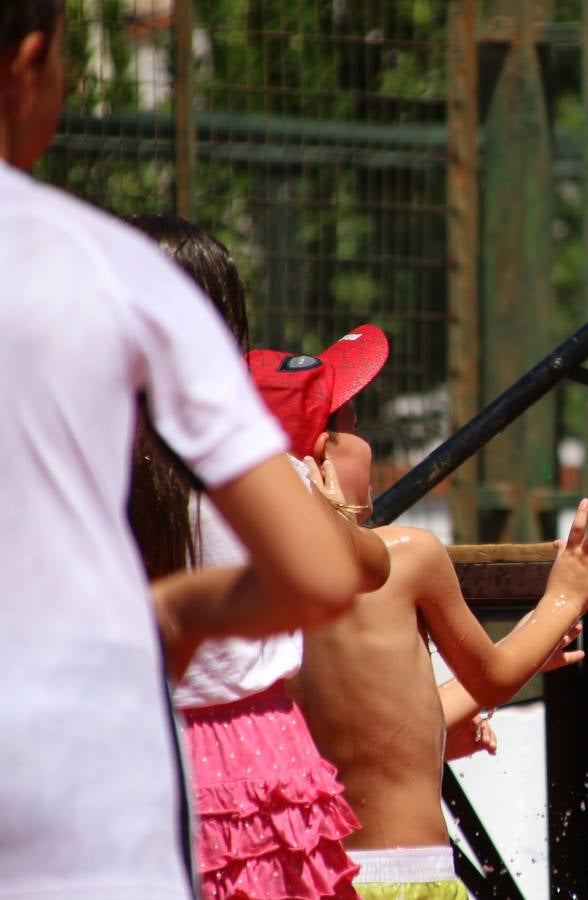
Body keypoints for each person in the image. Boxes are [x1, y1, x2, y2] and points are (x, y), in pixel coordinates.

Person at [0, 4, 387, 897]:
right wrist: (175, 615)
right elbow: (320, 572)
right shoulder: (108, 272)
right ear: (28, 64)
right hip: (94, 779)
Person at [246, 332, 588, 900]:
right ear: (318, 458)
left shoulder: (262, 588)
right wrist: (565, 596)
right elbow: (498, 674)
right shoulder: (407, 558)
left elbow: (380, 729)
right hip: (413, 877)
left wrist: (531, 636)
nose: (371, 445)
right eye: (355, 424)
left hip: (320, 879)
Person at [127, 216, 389, 900]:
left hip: (125, 748)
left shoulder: (85, 461)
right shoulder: (256, 467)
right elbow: (362, 570)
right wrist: (336, 511)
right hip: (259, 755)